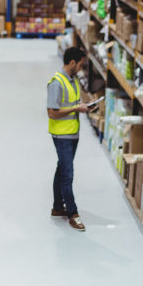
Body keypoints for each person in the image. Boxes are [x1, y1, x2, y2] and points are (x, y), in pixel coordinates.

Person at [47, 47, 94, 232]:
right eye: (80, 64)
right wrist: (77, 109)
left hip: (73, 133)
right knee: (67, 175)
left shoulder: (73, 80)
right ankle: (73, 214)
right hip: (62, 135)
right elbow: (52, 112)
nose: (81, 68)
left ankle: (57, 207)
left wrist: (84, 107)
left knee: (62, 170)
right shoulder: (56, 83)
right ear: (72, 62)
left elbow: (73, 104)